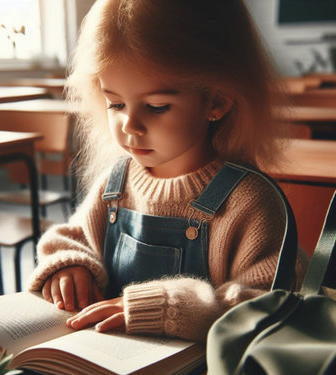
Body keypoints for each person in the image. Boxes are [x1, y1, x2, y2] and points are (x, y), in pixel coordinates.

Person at [27, 0, 305, 343]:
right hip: (106, 369)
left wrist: (167, 307)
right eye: (115, 103)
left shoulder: (250, 202)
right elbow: (75, 237)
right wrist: (72, 264)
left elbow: (268, 302)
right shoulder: (117, 183)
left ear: (217, 101)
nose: (130, 125)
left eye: (157, 106)